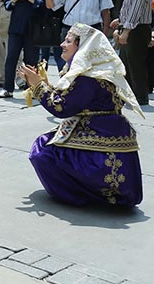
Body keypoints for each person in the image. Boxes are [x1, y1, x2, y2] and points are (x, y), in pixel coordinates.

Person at [21, 24, 143, 207]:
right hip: (105, 131)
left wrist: (38, 86)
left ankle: (85, 194)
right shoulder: (98, 71)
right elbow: (70, 98)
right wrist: (42, 83)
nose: (62, 44)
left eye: (68, 41)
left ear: (83, 48)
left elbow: (62, 108)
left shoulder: (88, 78)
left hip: (98, 136)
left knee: (42, 152)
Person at [0, 0, 47, 98]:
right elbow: (7, 6)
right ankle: (7, 88)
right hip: (16, 28)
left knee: (31, 61)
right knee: (11, 59)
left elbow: (45, 5)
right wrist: (14, 0)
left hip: (33, 28)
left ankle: (32, 89)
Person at [111, 0, 153, 106]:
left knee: (135, 65)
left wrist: (126, 31)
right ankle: (128, 94)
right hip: (134, 28)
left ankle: (140, 96)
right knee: (125, 63)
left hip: (136, 31)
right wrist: (121, 21)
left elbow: (135, 13)